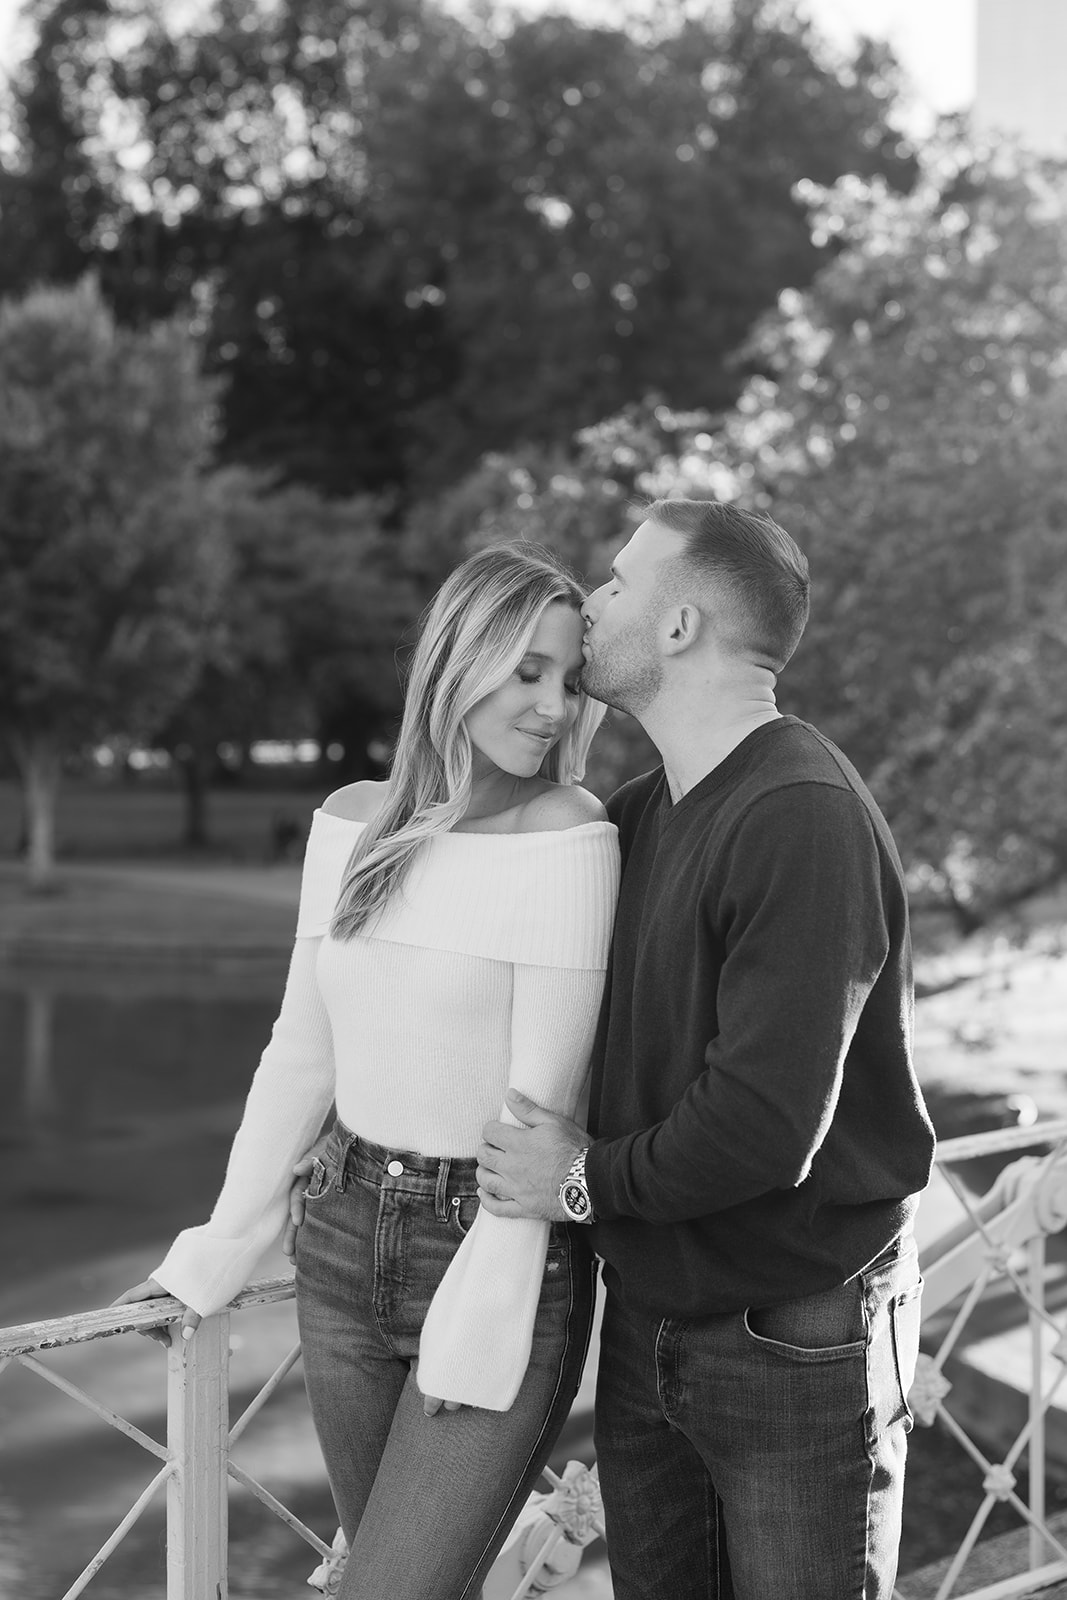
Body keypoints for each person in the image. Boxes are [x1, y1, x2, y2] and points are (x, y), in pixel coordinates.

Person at [115, 543, 621, 1600]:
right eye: (526, 669)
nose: (551, 706)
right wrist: (215, 1250)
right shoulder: (351, 822)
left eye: (569, 678)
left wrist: (482, 1320)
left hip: (485, 1253)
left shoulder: (568, 838)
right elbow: (301, 1049)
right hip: (339, 1244)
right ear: (455, 660)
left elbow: (539, 1111)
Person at [475, 500, 936, 1599]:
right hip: (652, 1317)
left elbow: (763, 1127)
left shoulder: (800, 814)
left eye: (619, 582)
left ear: (679, 626)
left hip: (794, 1330)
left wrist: (576, 1178)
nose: (592, 603)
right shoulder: (642, 813)